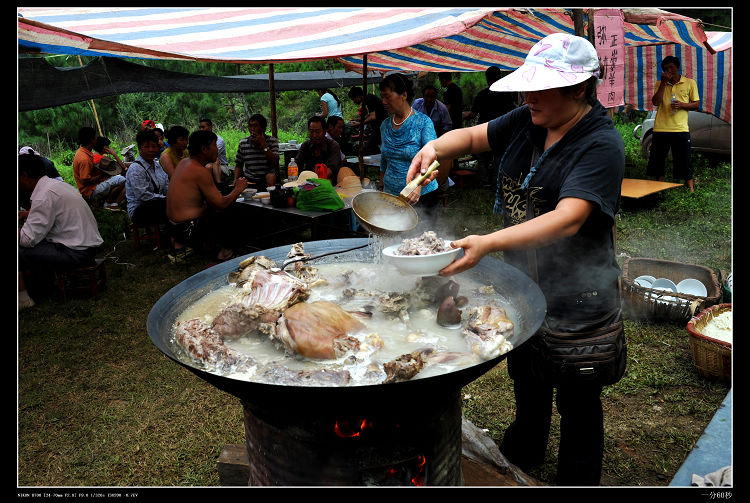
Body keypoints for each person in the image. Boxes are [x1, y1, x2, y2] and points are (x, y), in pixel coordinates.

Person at [407, 33, 625, 486]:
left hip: (578, 296)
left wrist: (488, 242)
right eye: (527, 86)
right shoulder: (531, 119)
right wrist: (436, 148)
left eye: (540, 86)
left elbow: (568, 218)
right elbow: (471, 136)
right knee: (527, 377)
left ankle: (577, 478)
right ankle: (525, 449)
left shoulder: (599, 144)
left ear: (579, 88)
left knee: (578, 400)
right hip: (524, 283)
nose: (528, 96)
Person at [19, 153, 104, 310]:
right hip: (88, 246)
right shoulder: (54, 185)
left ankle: (24, 298)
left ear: (24, 175)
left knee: (21, 251)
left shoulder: (43, 195)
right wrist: (26, 214)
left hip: (77, 253)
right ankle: (42, 286)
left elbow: (26, 239)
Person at [166, 129, 248, 262]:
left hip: (173, 227)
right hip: (186, 229)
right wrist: (238, 189)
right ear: (204, 149)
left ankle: (196, 246)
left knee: (221, 196)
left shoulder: (184, 162)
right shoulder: (200, 171)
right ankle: (225, 253)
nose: (217, 149)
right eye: (215, 145)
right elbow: (221, 204)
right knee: (230, 209)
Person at [378, 73, 440, 217]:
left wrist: (417, 186)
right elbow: (384, 161)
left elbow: (433, 159)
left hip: (422, 197)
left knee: (422, 238)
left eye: (387, 96)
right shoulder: (385, 125)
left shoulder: (423, 123)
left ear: (403, 95)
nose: (384, 101)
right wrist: (381, 189)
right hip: (391, 197)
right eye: (382, 97)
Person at [646, 55, 700, 192]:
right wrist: (664, 83)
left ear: (677, 67)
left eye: (671, 67)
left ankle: (690, 188)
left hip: (680, 128)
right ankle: (658, 186)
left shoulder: (689, 83)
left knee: (684, 159)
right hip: (660, 128)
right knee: (658, 159)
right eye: (665, 69)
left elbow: (696, 105)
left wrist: (682, 105)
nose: (669, 70)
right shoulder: (660, 83)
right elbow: (656, 102)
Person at [463, 66, 518, 189]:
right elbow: (513, 111)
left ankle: (485, 181)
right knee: (499, 158)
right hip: (503, 130)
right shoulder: (507, 94)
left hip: (485, 130)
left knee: (482, 157)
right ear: (500, 78)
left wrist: (462, 115)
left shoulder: (482, 94)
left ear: (487, 79)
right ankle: (497, 183)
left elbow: (472, 115)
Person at [72, 126, 126, 211]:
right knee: (122, 179)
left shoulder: (83, 152)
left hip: (91, 188)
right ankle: (109, 203)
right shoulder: (84, 159)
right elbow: (84, 181)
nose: (96, 139)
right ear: (91, 139)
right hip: (90, 191)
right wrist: (101, 176)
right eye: (95, 137)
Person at [125, 129, 170, 231]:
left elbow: (167, 186)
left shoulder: (158, 166)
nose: (151, 150)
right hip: (140, 211)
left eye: (154, 146)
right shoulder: (136, 168)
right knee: (169, 204)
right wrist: (167, 199)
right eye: (147, 146)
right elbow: (144, 196)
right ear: (140, 148)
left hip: (157, 204)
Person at [234, 114, 280, 190]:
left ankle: (271, 196)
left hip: (266, 179)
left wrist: (264, 145)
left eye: (255, 126)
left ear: (263, 128)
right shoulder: (243, 143)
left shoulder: (272, 141)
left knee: (270, 176)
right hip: (249, 179)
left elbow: (275, 162)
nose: (252, 129)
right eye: (250, 126)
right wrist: (235, 179)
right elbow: (239, 165)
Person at [295, 116, 342, 182]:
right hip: (308, 182)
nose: (314, 135)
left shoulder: (333, 145)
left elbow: (332, 169)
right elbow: (297, 164)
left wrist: (314, 179)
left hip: (328, 182)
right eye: (311, 132)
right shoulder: (306, 145)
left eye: (317, 132)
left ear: (325, 132)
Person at [348, 86, 387, 154]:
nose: (354, 102)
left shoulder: (369, 99)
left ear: (357, 96)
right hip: (380, 126)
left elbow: (373, 117)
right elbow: (371, 114)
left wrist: (359, 124)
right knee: (373, 146)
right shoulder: (368, 98)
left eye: (353, 99)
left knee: (369, 147)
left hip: (381, 126)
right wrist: (359, 119)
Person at [199, 118, 230, 184]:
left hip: (222, 166)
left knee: (211, 165)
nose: (201, 129)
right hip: (208, 164)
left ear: (210, 127)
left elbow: (210, 156)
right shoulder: (201, 140)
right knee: (208, 166)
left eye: (203, 127)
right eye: (200, 127)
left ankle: (213, 185)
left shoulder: (218, 140)